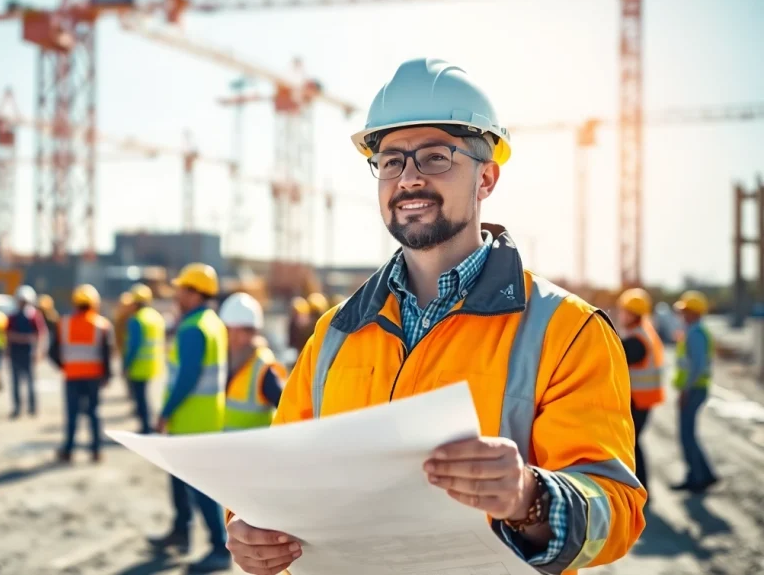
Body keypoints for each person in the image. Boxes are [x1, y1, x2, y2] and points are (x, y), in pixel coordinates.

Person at [225, 58, 644, 575]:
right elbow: (279, 478)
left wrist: (528, 497)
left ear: (486, 177)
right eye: (391, 161)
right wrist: (250, 531)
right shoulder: (335, 333)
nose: (409, 178)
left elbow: (617, 513)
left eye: (436, 157)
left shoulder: (566, 330)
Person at [149, 263, 231, 573]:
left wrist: (165, 412)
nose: (176, 293)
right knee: (182, 483)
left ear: (194, 292)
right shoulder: (212, 322)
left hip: (191, 420)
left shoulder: (193, 327)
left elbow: (187, 377)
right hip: (204, 418)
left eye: (181, 288)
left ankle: (218, 548)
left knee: (201, 488)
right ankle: (181, 533)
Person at [49, 284, 113, 463]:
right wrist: (107, 376)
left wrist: (65, 366)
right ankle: (96, 450)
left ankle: (68, 450)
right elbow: (107, 354)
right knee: (94, 412)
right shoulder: (102, 325)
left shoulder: (64, 323)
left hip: (72, 375)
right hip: (94, 376)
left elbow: (52, 351)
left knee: (72, 415)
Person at [616, 288, 665, 497]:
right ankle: (640, 489)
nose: (620, 315)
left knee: (631, 445)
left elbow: (618, 355)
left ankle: (640, 490)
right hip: (644, 399)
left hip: (639, 400)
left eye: (623, 311)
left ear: (632, 314)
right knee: (633, 444)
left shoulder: (637, 340)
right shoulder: (644, 332)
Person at [671, 290, 718, 493]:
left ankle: (697, 478)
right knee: (689, 434)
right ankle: (705, 475)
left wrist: (685, 391)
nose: (683, 314)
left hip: (694, 389)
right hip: (695, 388)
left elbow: (697, 367)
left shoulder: (696, 333)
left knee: (687, 435)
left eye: (686, 311)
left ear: (695, 313)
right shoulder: (693, 331)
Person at [219, 292, 287, 431]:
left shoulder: (263, 367)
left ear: (253, 333)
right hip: (225, 446)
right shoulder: (222, 359)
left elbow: (287, 408)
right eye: (230, 330)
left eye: (241, 331)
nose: (234, 337)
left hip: (255, 449)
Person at [122, 283, 165, 434]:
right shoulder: (156, 317)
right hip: (154, 364)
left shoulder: (137, 319)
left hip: (139, 366)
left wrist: (126, 365)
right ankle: (150, 425)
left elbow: (133, 346)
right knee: (148, 398)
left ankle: (146, 428)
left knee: (141, 400)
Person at [6, 285, 46, 419]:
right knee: (15, 382)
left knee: (30, 382)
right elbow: (8, 334)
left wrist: (38, 350)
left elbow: (40, 334)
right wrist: (22, 339)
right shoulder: (12, 316)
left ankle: (33, 407)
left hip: (29, 352)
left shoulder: (34, 316)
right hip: (16, 352)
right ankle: (17, 408)